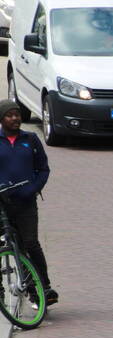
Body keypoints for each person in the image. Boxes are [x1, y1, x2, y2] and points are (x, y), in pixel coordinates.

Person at [0, 100, 57, 308]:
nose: (15, 118)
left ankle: (42, 289)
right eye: (9, 115)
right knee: (5, 246)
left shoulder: (30, 139)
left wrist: (32, 189)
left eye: (17, 114)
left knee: (30, 244)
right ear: (1, 119)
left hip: (25, 203)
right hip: (2, 203)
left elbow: (43, 170)